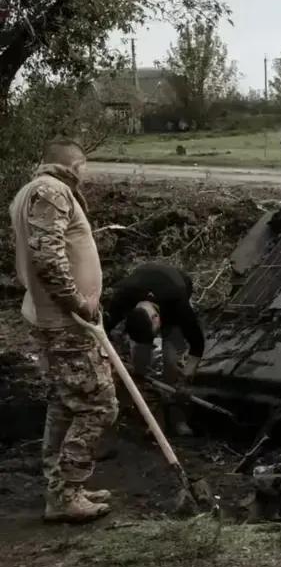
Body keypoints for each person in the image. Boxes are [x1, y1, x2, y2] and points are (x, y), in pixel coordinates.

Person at [10, 138, 117, 522]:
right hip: (65, 322)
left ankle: (62, 487)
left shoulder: (29, 192)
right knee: (98, 405)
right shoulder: (52, 191)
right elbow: (47, 256)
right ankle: (66, 494)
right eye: (84, 168)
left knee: (64, 405)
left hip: (55, 320)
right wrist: (77, 302)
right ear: (74, 165)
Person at [104, 262, 205, 437]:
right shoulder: (123, 299)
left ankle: (178, 418)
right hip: (143, 288)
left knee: (172, 363)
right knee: (139, 366)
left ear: (157, 319)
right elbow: (102, 331)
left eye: (153, 336)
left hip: (175, 292)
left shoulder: (178, 305)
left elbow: (197, 344)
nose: (152, 341)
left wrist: (186, 375)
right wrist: (113, 360)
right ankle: (149, 417)